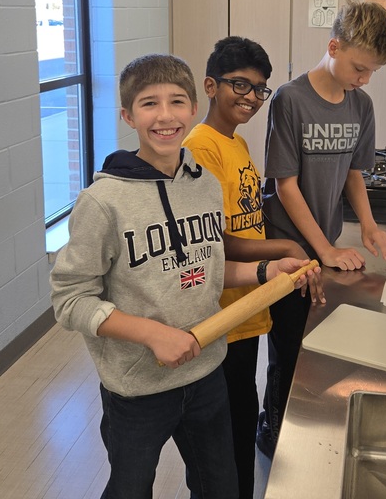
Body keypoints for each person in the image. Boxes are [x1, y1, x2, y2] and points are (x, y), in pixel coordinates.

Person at [50, 53, 319, 499]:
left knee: (221, 488)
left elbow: (207, 268)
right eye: (149, 104)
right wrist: (153, 334)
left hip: (206, 374)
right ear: (127, 115)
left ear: (193, 108)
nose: (165, 116)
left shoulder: (204, 185)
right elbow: (70, 300)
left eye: (177, 102)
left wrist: (267, 270)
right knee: (130, 489)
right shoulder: (103, 203)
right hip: (136, 387)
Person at [256, 0, 386, 458]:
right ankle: (274, 433)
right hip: (287, 251)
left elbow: (354, 173)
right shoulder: (291, 99)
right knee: (286, 349)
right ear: (333, 46)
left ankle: (305, 431)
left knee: (314, 346)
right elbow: (286, 186)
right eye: (360, 67)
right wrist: (323, 250)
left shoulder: (361, 104)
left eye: (372, 72)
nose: (364, 79)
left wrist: (370, 227)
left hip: (326, 247)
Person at [184, 36, 323, 499]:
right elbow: (213, 242)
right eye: (239, 85)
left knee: (241, 417)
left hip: (246, 308)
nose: (251, 97)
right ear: (210, 85)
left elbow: (246, 213)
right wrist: (286, 246)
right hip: (220, 313)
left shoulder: (237, 142)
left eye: (260, 89)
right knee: (228, 430)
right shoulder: (201, 148)